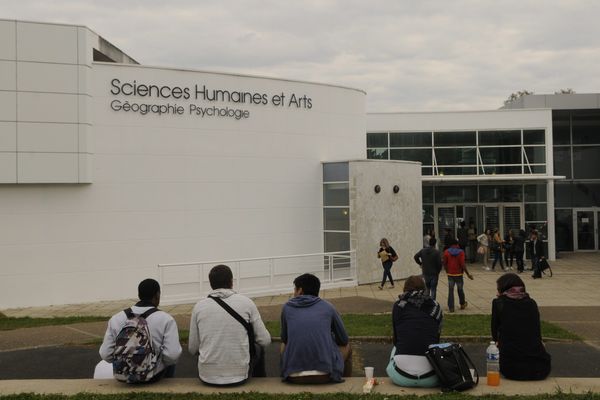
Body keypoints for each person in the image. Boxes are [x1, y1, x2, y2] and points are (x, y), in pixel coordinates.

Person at [188, 264, 271, 386]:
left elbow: (192, 348)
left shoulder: (199, 307)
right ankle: (261, 383)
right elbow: (265, 340)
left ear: (211, 284)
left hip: (207, 377)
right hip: (240, 376)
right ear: (231, 282)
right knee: (258, 348)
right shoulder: (246, 303)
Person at [99, 278, 182, 383]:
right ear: (157, 295)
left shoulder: (116, 318)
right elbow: (172, 355)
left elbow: (105, 354)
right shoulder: (166, 319)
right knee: (170, 361)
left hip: (123, 374)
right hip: (154, 377)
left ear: (139, 295)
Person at [280, 273, 352, 383]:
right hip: (325, 375)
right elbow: (343, 339)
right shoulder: (328, 307)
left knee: (282, 345)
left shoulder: (287, 308)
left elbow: (285, 339)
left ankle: (284, 372)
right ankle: (344, 382)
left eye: (295, 289)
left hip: (293, 376)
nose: (294, 293)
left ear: (300, 291)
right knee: (347, 346)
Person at [491, 273, 551, 380]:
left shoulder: (499, 303)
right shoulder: (532, 303)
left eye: (498, 289)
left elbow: (495, 333)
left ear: (503, 289)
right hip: (540, 369)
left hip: (511, 369)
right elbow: (537, 331)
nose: (497, 292)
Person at [386, 276, 442, 388]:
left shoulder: (399, 306)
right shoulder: (435, 306)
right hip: (431, 378)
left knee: (395, 349)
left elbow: (396, 338)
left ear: (405, 289)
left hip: (401, 377)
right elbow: (436, 337)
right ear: (424, 289)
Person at [443, 239, 473, 312]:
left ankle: (451, 307)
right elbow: (462, 264)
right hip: (459, 274)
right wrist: (468, 274)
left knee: (450, 290)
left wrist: (447, 271)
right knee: (460, 289)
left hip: (450, 274)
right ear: (457, 244)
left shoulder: (446, 252)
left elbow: (444, 263)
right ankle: (462, 304)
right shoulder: (461, 252)